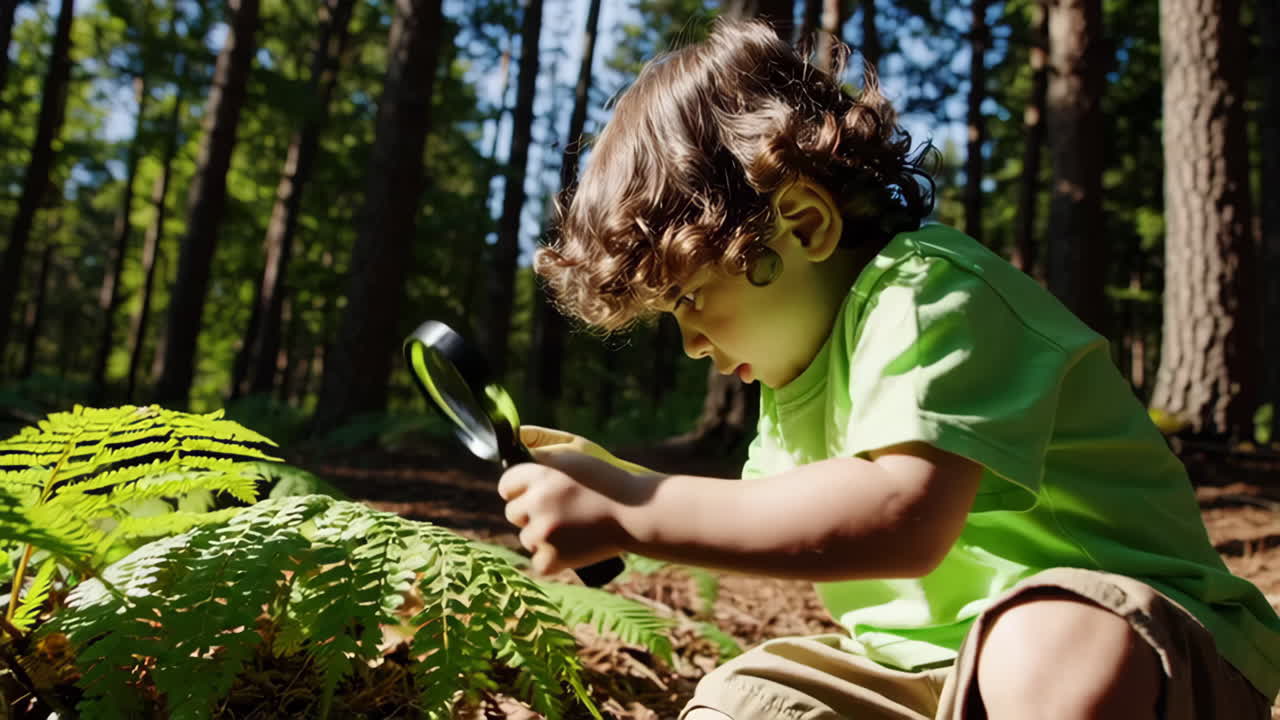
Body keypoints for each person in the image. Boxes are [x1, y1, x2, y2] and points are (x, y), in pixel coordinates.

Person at [495, 18, 1280, 720]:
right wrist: (613, 490)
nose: (693, 344)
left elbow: (900, 517)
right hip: (926, 677)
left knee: (1044, 647)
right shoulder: (787, 390)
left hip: (1147, 645)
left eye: (695, 298)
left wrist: (637, 504)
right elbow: (781, 521)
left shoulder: (930, 289)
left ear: (804, 223)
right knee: (747, 700)